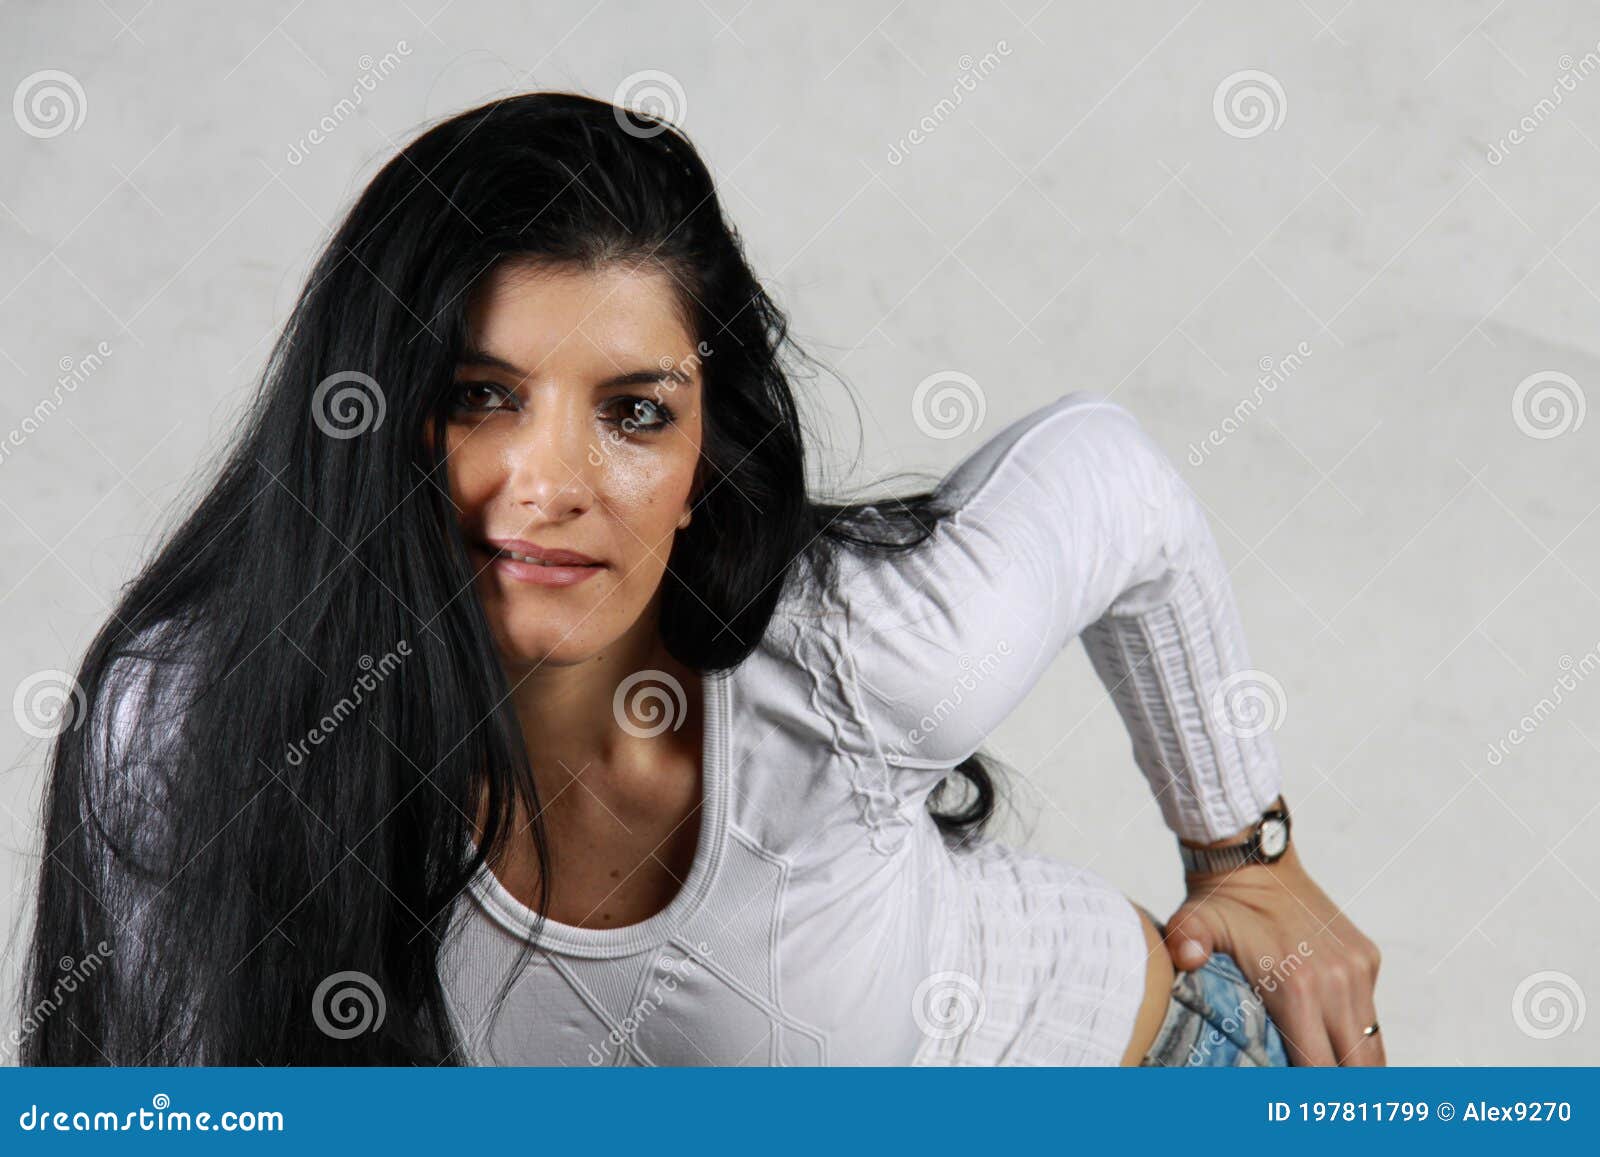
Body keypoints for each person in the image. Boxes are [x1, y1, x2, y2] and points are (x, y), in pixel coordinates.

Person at [19, 92, 1382, 1067]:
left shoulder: (860, 657)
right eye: (483, 395)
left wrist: (1246, 853)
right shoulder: (200, 722)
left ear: (701, 459)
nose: (552, 481)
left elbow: (1114, 476)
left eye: (633, 412)